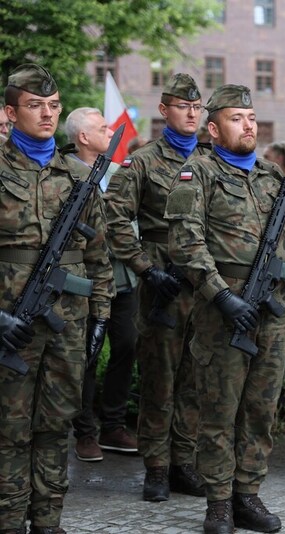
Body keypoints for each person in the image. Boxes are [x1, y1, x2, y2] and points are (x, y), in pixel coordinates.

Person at [164, 84, 285, 534]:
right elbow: (185, 241)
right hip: (221, 311)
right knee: (220, 412)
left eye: (251, 117)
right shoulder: (196, 173)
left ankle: (248, 494)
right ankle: (219, 502)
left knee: (262, 410)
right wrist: (221, 295)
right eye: (236, 117)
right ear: (213, 127)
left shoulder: (273, 177)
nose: (248, 124)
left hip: (271, 311)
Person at [0, 63, 114, 534]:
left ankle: (48, 520)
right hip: (13, 322)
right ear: (11, 111)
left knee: (55, 425)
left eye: (53, 106)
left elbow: (99, 255)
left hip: (67, 322)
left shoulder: (78, 174)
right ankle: (8, 520)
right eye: (34, 106)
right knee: (9, 430)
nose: (46, 115)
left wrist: (101, 316)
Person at [105, 73, 208, 501]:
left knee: (194, 376)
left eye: (197, 108)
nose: (191, 114)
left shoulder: (210, 160)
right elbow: (115, 220)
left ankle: (184, 462)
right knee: (159, 378)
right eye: (183, 107)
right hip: (162, 280)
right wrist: (147, 271)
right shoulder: (142, 160)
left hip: (202, 279)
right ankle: (157, 467)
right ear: (164, 110)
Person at [65, 107, 140, 463]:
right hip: (88, 280)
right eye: (101, 127)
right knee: (87, 355)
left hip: (122, 277)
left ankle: (113, 425)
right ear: (83, 137)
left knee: (125, 345)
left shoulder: (118, 173)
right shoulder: (65, 174)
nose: (110, 131)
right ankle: (85, 433)